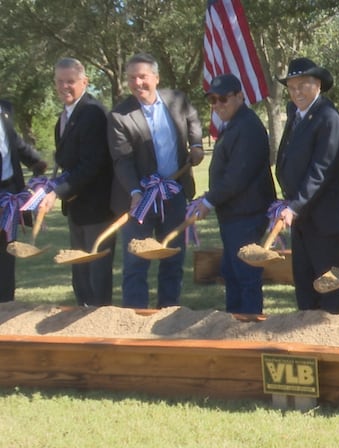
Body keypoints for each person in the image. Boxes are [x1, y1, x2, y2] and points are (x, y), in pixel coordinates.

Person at [108, 53, 204, 309]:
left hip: (174, 193)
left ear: (156, 78)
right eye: (131, 78)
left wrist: (195, 144)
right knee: (136, 261)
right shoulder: (119, 116)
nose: (137, 83)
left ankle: (169, 313)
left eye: (142, 76)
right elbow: (122, 160)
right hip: (140, 198)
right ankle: (135, 315)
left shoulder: (177, 99)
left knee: (173, 256)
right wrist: (135, 191)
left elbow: (193, 119)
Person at [275, 57, 339, 314]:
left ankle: (331, 351)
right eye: (292, 86)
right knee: (305, 291)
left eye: (303, 85)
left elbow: (321, 170)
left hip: (327, 222)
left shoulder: (328, 118)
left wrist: (295, 205)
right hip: (303, 221)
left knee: (329, 293)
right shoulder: (296, 115)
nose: (297, 91)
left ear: (317, 84)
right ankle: (307, 351)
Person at [194, 74, 277, 314]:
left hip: (247, 214)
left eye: (223, 98)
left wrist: (209, 200)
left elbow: (237, 176)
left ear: (240, 96)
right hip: (234, 214)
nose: (218, 105)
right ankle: (232, 324)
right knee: (232, 273)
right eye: (212, 100)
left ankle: (248, 330)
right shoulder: (234, 124)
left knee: (245, 275)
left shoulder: (247, 126)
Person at [38, 57, 116, 307]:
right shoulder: (65, 115)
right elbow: (65, 161)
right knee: (80, 274)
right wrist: (48, 186)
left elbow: (91, 166)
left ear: (85, 82)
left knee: (96, 273)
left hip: (98, 208)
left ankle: (99, 327)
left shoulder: (92, 113)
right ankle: (83, 322)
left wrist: (57, 192)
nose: (65, 87)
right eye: (60, 82)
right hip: (77, 209)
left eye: (70, 81)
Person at [0, 99, 47, 302]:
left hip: (9, 193)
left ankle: (5, 309)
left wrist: (35, 160)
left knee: (6, 254)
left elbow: (12, 142)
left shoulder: (5, 109)